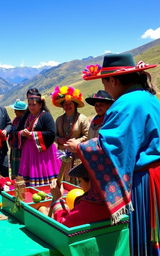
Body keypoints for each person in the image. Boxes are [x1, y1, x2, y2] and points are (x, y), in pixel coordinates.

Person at [65, 53, 160, 255]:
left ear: (114, 80)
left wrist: (79, 147)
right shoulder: (148, 98)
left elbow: (110, 147)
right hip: (156, 174)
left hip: (142, 181)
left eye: (105, 83)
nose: (106, 89)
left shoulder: (125, 104)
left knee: (140, 236)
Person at [39, 163, 111, 227]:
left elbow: (63, 225)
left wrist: (57, 198)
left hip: (76, 238)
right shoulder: (113, 199)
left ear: (91, 182)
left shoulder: (88, 206)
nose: (80, 185)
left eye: (80, 181)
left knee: (42, 210)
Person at [17, 88, 61, 186]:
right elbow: (18, 129)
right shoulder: (27, 116)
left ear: (40, 105)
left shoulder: (46, 116)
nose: (31, 107)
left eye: (34, 104)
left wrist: (33, 135)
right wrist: (22, 133)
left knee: (44, 178)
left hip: (43, 153)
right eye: (29, 105)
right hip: (29, 153)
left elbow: (51, 133)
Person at [52, 86, 89, 182]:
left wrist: (77, 141)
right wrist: (58, 139)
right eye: (65, 104)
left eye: (70, 104)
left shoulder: (82, 119)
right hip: (63, 154)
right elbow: (54, 135)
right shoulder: (59, 120)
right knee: (64, 177)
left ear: (75, 105)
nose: (67, 106)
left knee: (77, 179)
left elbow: (87, 135)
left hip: (78, 155)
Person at [8, 99, 27, 179]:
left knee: (22, 168)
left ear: (22, 111)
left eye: (16, 110)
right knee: (15, 167)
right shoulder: (15, 120)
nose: (15, 112)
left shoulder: (26, 121)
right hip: (15, 149)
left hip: (23, 149)